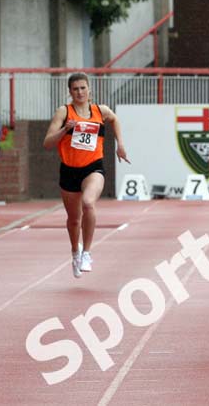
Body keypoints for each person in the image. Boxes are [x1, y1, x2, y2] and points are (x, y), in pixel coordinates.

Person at [43, 73, 130, 278]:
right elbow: (47, 143)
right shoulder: (64, 112)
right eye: (75, 89)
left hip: (93, 167)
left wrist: (121, 144)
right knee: (74, 220)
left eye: (83, 88)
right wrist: (65, 129)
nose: (80, 92)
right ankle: (75, 251)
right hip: (69, 170)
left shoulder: (100, 110)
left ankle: (87, 253)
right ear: (70, 92)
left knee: (89, 203)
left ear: (89, 89)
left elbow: (114, 119)